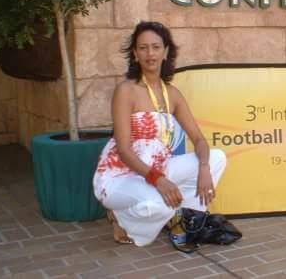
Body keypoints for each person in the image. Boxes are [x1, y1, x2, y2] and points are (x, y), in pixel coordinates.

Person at [93, 21, 226, 246]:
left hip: (158, 170)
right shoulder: (126, 91)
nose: (150, 53)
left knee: (217, 158)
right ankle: (120, 217)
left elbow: (199, 139)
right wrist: (159, 180)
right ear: (135, 54)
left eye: (156, 47)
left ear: (165, 52)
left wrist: (204, 168)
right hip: (121, 177)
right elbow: (123, 150)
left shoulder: (172, 94)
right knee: (160, 205)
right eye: (143, 48)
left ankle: (186, 219)